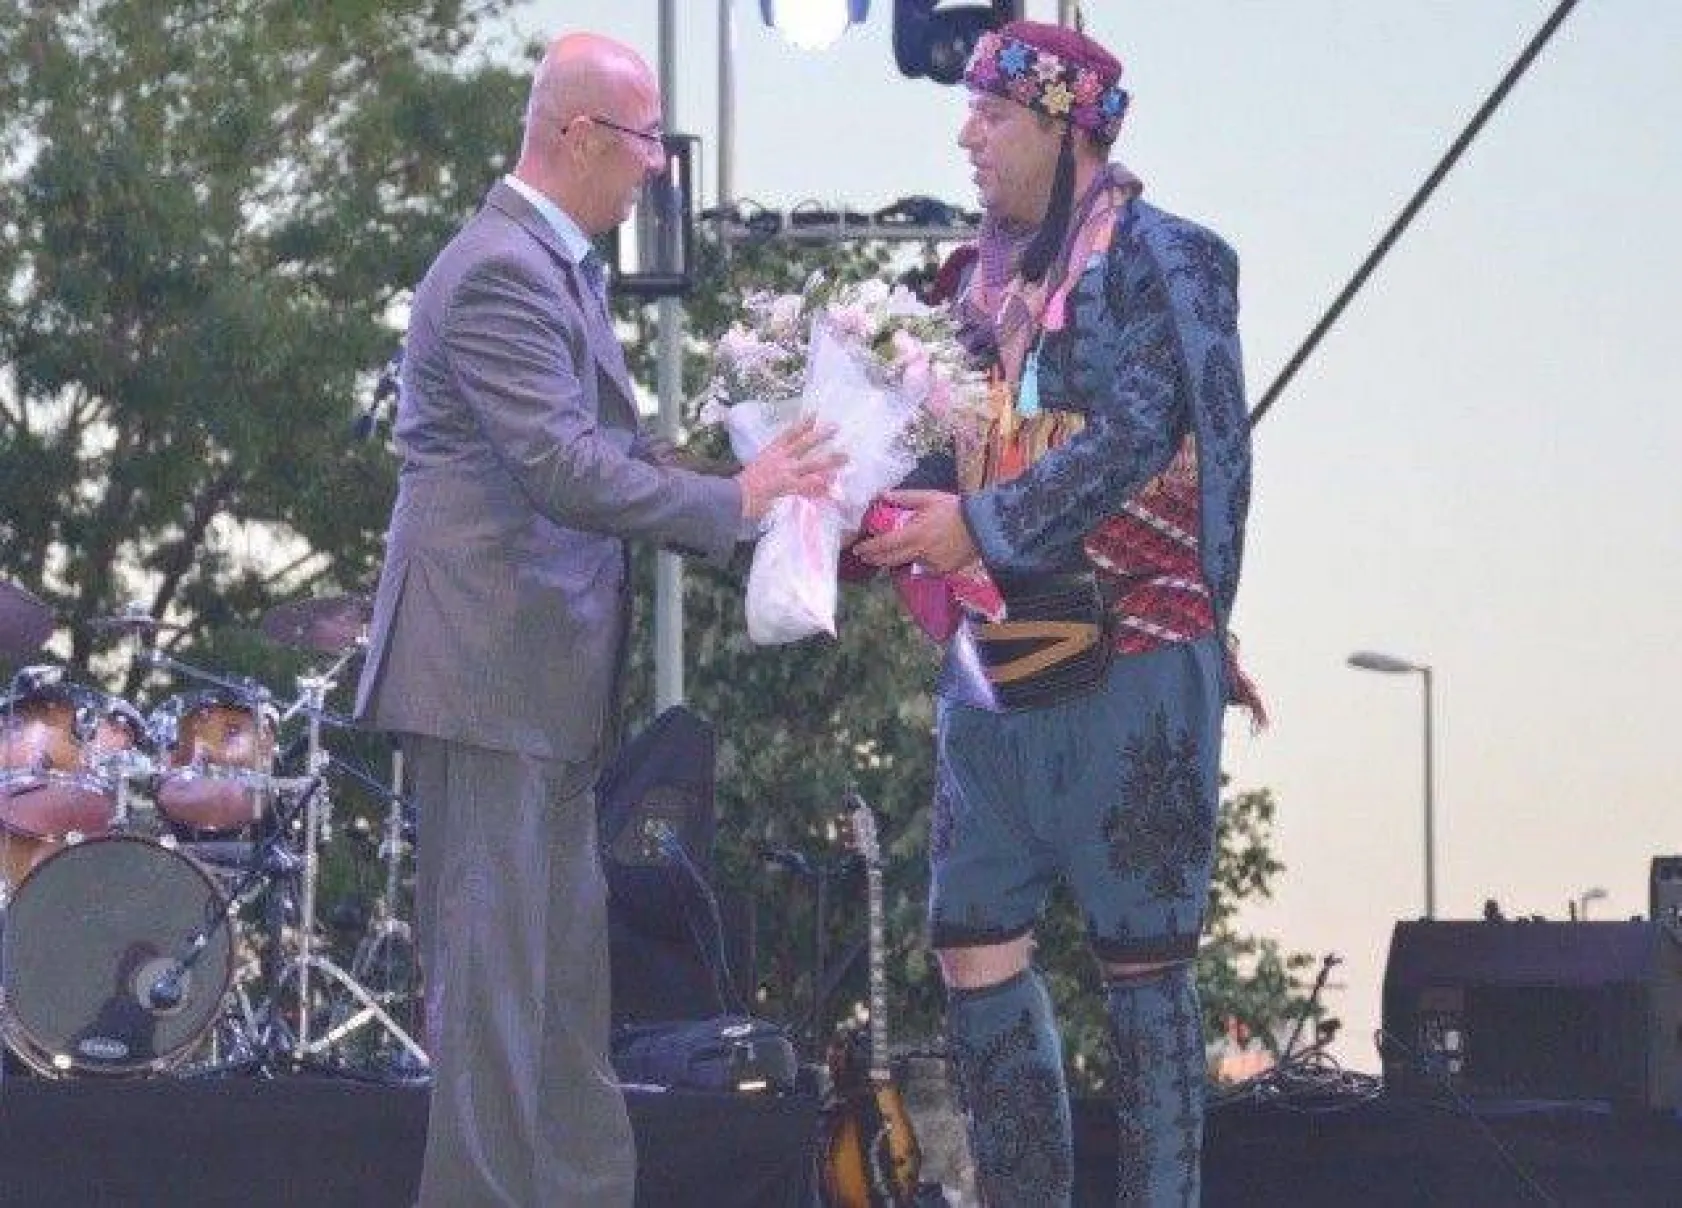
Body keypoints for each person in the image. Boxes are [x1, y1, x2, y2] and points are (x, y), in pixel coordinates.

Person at [354, 32, 841, 1207]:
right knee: (494, 1003)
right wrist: (736, 498)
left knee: (563, 998)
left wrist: (765, 477)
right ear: (574, 134)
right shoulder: (498, 270)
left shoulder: (553, 267)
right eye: (642, 142)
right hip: (486, 682)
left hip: (539, 692)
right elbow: (563, 469)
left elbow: (609, 456)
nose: (656, 170)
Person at [853, 20, 1255, 1206]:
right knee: (969, 937)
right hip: (992, 657)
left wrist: (974, 524)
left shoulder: (1166, 259)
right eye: (966, 112)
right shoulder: (962, 288)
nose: (965, 134)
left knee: (1143, 967)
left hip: (1135, 649)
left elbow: (1139, 435)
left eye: (990, 116)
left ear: (1064, 125)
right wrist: (840, 497)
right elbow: (941, 452)